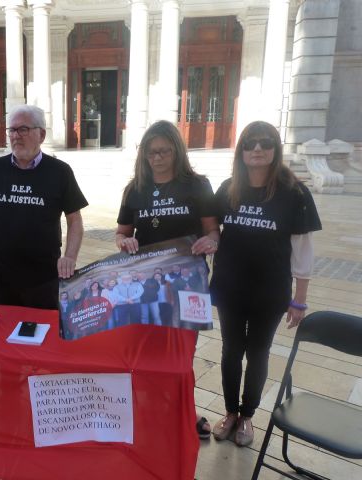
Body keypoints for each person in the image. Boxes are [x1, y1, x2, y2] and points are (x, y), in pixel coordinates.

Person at [210, 121, 322, 447]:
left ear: (275, 149)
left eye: (265, 142)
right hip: (231, 288)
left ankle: (247, 416)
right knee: (231, 351)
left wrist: (299, 299)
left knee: (258, 353)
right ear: (241, 151)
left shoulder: (294, 193)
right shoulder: (228, 188)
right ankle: (230, 411)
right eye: (250, 143)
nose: (257, 149)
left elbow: (303, 250)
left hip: (270, 292)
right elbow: (210, 231)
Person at [114, 119, 220, 439]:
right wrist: (124, 242)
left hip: (190, 285)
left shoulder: (198, 185)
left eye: (163, 151)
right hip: (147, 285)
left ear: (177, 150)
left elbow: (212, 229)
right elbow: (121, 233)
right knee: (147, 350)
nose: (157, 158)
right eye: (150, 152)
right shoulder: (135, 189)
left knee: (183, 354)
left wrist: (213, 240)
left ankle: (185, 411)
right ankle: (149, 409)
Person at [0, 104, 88, 309]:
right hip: (2, 277)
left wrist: (70, 256)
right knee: (5, 334)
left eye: (23, 129)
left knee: (43, 334)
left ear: (41, 135)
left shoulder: (60, 172)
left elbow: (75, 219)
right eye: (12, 130)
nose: (16, 136)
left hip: (45, 278)